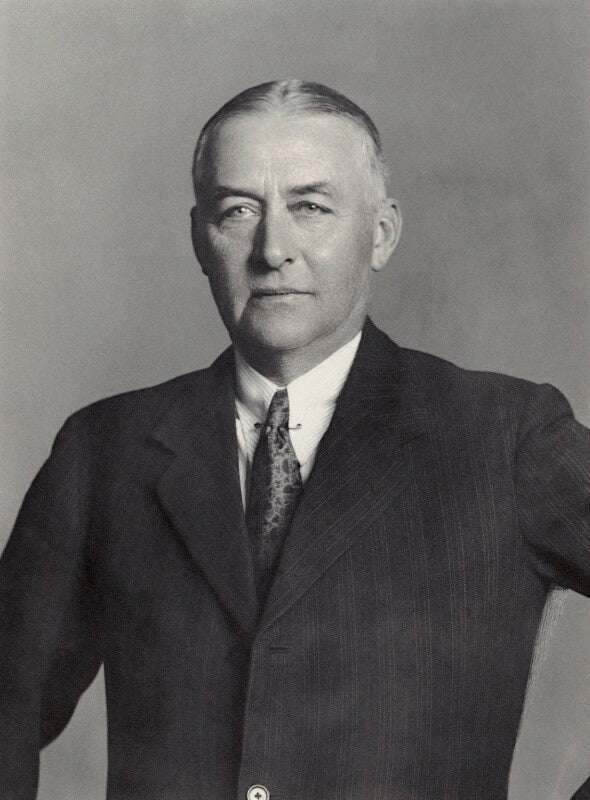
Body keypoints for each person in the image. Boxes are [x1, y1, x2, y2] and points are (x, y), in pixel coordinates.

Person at [1, 79, 589, 800]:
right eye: (238, 210)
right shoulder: (104, 451)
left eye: (310, 207)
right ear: (200, 237)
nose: (273, 249)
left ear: (381, 234)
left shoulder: (506, 435)